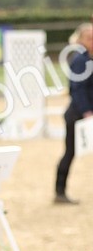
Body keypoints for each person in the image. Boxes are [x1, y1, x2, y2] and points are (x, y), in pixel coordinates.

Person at [54, 22, 93, 204]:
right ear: (81, 41)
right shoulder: (80, 61)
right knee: (70, 152)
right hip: (78, 116)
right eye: (90, 38)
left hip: (87, 114)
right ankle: (59, 191)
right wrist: (87, 112)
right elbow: (77, 90)